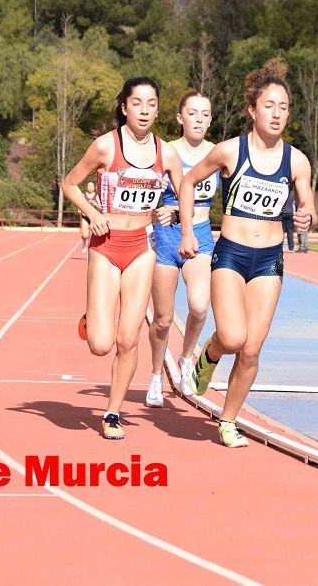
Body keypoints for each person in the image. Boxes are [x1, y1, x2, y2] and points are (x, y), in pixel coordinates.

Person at [178, 58, 317, 447]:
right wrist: (188, 230)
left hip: (269, 260)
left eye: (284, 107)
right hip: (232, 254)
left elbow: (307, 204)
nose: (276, 113)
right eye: (269, 106)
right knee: (234, 336)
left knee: (252, 349)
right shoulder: (229, 152)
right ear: (252, 110)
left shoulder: (297, 161)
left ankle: (228, 420)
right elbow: (188, 183)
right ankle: (208, 356)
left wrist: (306, 217)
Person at [61, 76, 184, 440]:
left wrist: (173, 212)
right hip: (106, 244)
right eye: (137, 103)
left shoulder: (168, 153)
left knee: (129, 338)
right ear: (124, 107)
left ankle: (112, 413)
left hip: (142, 248)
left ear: (157, 109)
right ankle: (91, 317)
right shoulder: (105, 147)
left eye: (151, 104)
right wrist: (91, 213)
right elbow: (69, 183)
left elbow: (185, 194)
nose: (144, 110)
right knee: (101, 344)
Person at [146, 91, 217, 408]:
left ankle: (187, 359)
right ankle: (155, 376)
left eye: (205, 113)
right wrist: (156, 215)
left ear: (211, 119)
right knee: (161, 321)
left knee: (200, 307)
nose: (199, 119)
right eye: (193, 112)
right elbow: (146, 197)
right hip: (165, 237)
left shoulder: (217, 154)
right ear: (179, 117)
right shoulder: (165, 151)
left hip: (199, 234)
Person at [78, 180, 99, 253]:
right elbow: (79, 204)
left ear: (94, 187)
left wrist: (95, 203)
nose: (90, 187)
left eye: (91, 186)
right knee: (85, 235)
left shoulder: (96, 196)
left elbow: (101, 207)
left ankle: (90, 249)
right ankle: (84, 242)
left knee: (93, 235)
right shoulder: (83, 195)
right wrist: (79, 209)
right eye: (89, 186)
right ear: (86, 187)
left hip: (93, 217)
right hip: (85, 216)